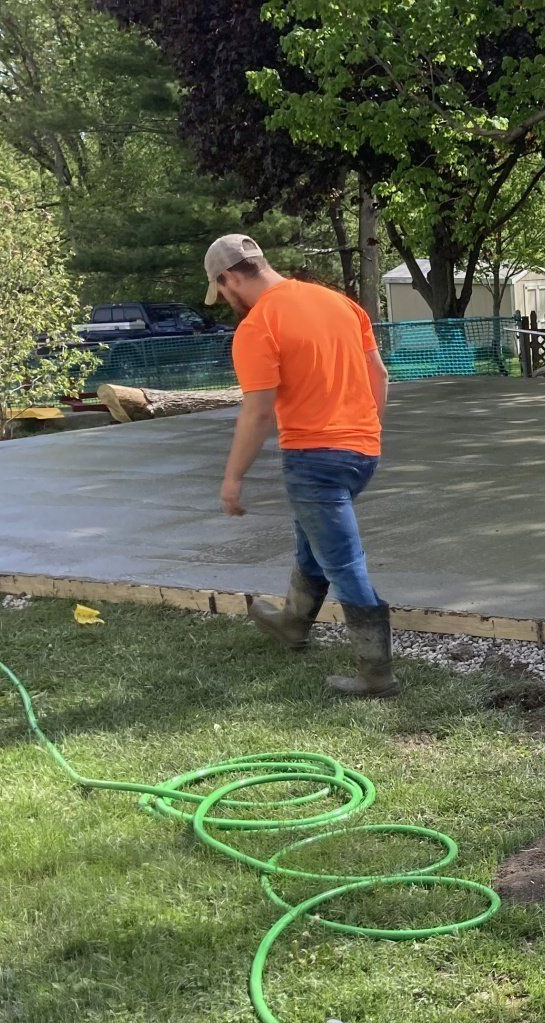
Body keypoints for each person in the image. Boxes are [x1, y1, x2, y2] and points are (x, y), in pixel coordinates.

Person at [207, 233, 401, 697]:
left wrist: (232, 479)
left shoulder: (259, 327)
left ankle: (376, 673)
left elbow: (257, 412)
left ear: (230, 277)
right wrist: (366, 431)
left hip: (314, 459)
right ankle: (292, 623)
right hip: (362, 452)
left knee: (343, 562)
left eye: (223, 291)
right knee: (313, 538)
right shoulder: (338, 304)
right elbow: (380, 375)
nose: (227, 302)